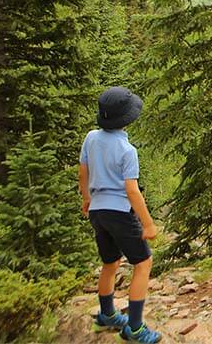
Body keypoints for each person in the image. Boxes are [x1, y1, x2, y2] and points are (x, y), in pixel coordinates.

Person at [79, 86, 162, 343]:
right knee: (143, 263)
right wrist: (147, 224)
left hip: (97, 210)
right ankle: (135, 329)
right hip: (120, 212)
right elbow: (132, 191)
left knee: (110, 263)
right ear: (127, 118)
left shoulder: (91, 138)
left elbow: (83, 170)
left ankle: (107, 316)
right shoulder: (128, 150)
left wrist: (86, 198)